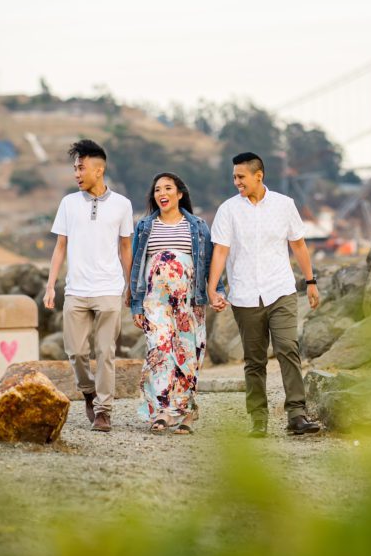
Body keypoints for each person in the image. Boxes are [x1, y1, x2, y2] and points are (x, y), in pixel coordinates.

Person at [207, 152, 322, 437]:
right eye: (234, 177)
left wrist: (310, 281)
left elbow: (298, 245)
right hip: (245, 294)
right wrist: (213, 287)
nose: (236, 182)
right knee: (255, 360)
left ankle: (297, 414)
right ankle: (258, 419)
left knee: (287, 349)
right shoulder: (228, 210)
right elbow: (220, 250)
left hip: (280, 289)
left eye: (241, 177)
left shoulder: (284, 205)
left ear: (259, 175)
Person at [44, 139, 133, 433]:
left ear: (99, 169)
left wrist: (130, 285)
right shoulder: (68, 203)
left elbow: (125, 248)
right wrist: (50, 286)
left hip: (109, 288)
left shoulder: (122, 204)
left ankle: (104, 411)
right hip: (76, 290)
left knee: (106, 352)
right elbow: (60, 247)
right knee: (76, 351)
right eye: (74, 168)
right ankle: (88, 392)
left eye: (81, 168)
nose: (76, 174)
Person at [129, 172, 222, 435]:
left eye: (168, 188)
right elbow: (137, 267)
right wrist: (135, 306)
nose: (162, 194)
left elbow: (209, 263)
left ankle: (186, 413)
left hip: (189, 304)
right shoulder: (145, 226)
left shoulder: (198, 226)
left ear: (179, 194)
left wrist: (217, 292)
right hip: (154, 303)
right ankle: (161, 411)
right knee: (159, 352)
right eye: (157, 189)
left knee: (187, 355)